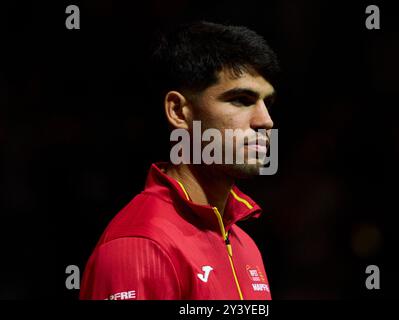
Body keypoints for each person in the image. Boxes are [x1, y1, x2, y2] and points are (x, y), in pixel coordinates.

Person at [80, 21, 280, 300]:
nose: (265, 121)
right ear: (178, 111)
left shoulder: (245, 245)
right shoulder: (141, 245)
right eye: (241, 99)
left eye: (266, 103)